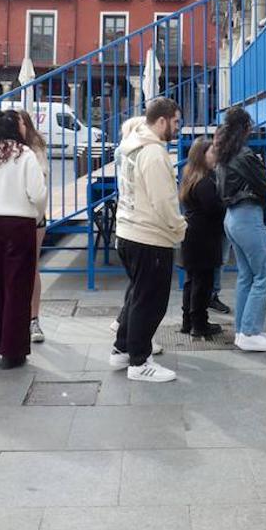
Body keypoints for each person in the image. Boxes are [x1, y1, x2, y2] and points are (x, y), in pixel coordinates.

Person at [110, 99, 185, 380]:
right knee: (150, 301)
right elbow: (164, 201)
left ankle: (122, 350)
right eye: (176, 121)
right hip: (149, 237)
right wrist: (180, 228)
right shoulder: (153, 153)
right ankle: (139, 362)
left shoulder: (131, 147)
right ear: (162, 121)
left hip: (129, 232)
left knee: (137, 296)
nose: (178, 127)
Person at [0, 110, 47, 370]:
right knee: (17, 288)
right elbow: (38, 194)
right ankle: (12, 351)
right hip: (19, 224)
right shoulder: (25, 155)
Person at [215, 107, 266, 352]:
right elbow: (265, 184)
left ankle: (243, 329)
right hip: (247, 215)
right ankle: (249, 331)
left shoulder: (224, 153)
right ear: (245, 128)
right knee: (264, 273)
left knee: (246, 275)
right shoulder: (244, 154)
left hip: (232, 218)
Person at [178, 137, 225, 339]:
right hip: (203, 237)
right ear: (201, 155)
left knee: (192, 281)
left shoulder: (190, 176)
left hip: (193, 234)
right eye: (212, 152)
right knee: (202, 283)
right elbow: (214, 209)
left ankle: (188, 322)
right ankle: (199, 324)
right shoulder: (205, 181)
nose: (215, 155)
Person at [18, 111, 49, 345]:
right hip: (13, 215)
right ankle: (18, 317)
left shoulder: (36, 149)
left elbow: (40, 186)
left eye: (19, 122)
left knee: (32, 266)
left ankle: (33, 318)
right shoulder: (3, 149)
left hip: (34, 216)